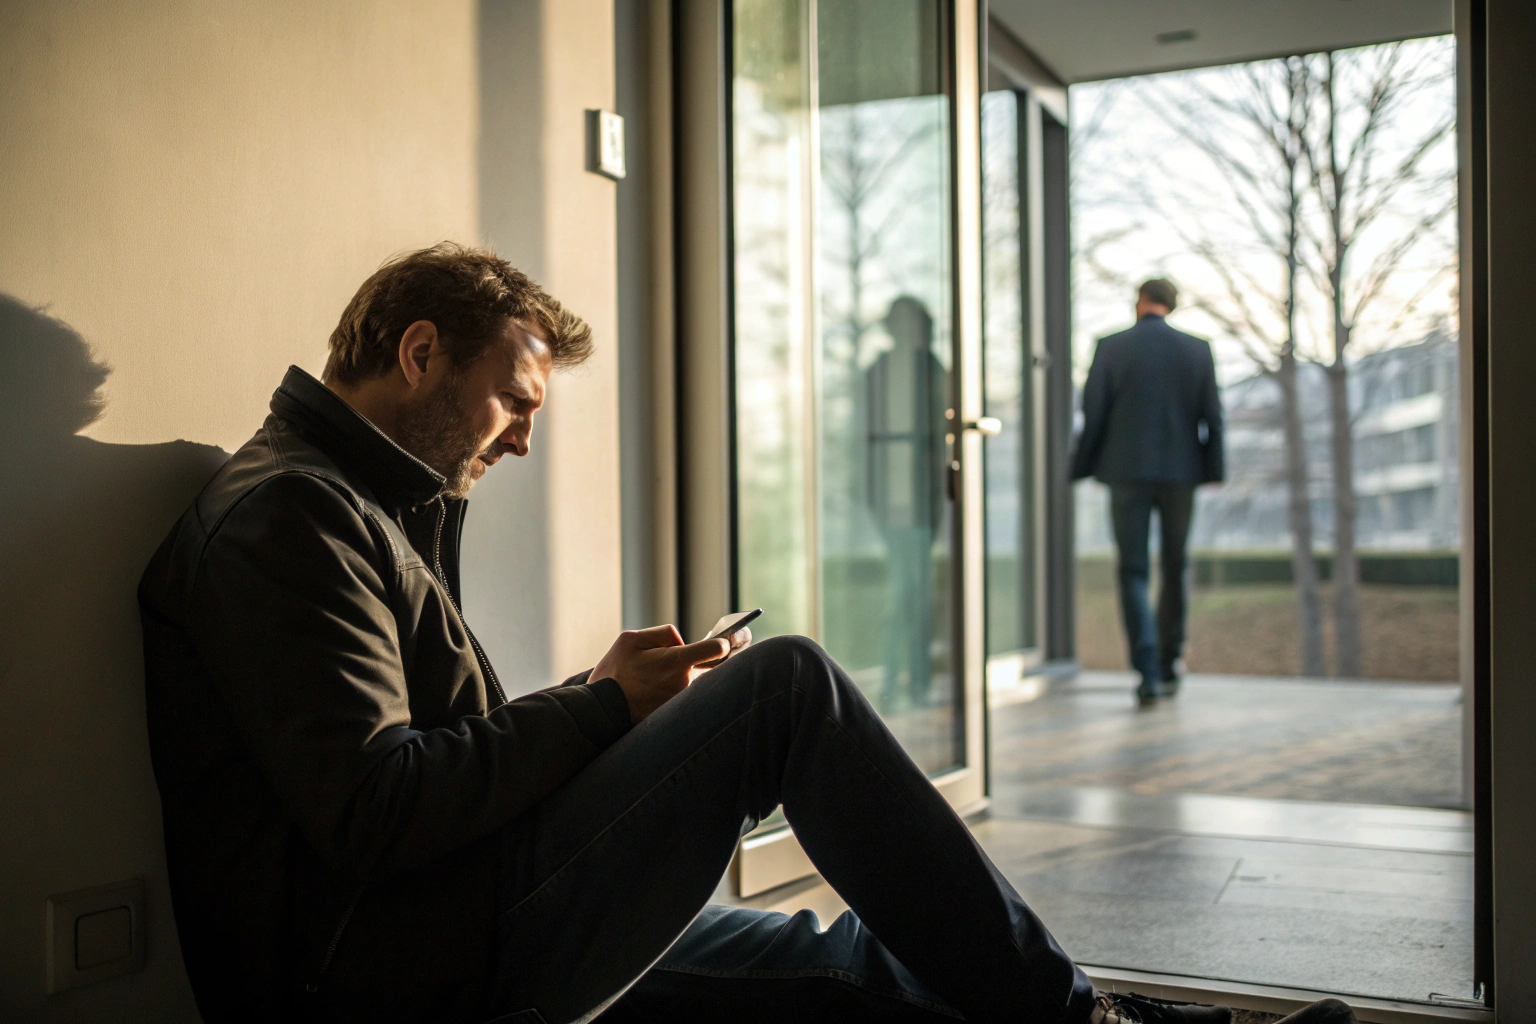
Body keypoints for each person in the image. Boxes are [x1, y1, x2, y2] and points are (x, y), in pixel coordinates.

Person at [141, 246, 1328, 1024]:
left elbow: (418, 762)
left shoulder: (358, 504)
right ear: (418, 354)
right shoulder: (290, 514)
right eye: (516, 402)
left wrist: (607, 695)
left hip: (453, 916)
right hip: (393, 974)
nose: (521, 440)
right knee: (784, 688)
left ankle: (1118, 1016)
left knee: (856, 963)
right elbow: (376, 808)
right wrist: (601, 707)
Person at [1071, 279, 1225, 705]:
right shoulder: (1197, 349)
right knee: (1176, 565)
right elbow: (1213, 413)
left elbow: (1093, 412)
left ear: (1139, 302)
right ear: (1172, 307)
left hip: (1125, 472)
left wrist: (1081, 466)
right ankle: (1170, 661)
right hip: (1182, 473)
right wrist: (1213, 469)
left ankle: (1147, 672)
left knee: (1133, 569)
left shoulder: (1111, 346)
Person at [864, 295, 949, 712]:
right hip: (892, 503)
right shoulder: (878, 371)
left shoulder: (932, 370)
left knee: (914, 594)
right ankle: (899, 683)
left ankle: (912, 683)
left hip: (922, 501)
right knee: (904, 594)